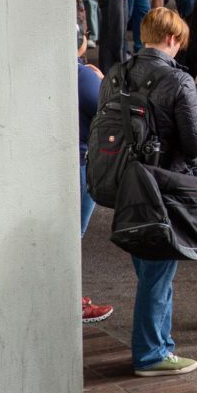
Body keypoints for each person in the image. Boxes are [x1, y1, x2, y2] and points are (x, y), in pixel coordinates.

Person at [98, 8, 197, 376]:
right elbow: (195, 145)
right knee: (158, 272)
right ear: (174, 39)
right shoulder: (178, 81)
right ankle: (151, 353)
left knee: (150, 269)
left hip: (124, 181)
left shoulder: (115, 74)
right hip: (162, 189)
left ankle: (158, 343)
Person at [77, 22, 114, 324]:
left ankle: (71, 295)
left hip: (67, 160)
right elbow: (108, 107)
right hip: (79, 162)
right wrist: (102, 81)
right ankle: (71, 299)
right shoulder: (80, 75)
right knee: (73, 234)